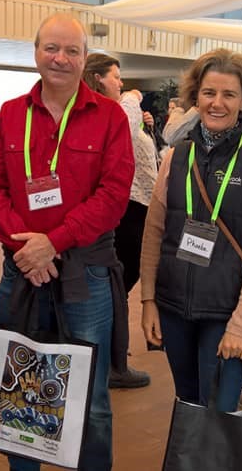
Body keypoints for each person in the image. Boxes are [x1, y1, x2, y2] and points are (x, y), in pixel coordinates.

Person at [0, 13, 134, 471]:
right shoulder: (10, 115)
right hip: (21, 270)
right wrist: (28, 251)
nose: (60, 59)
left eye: (71, 51)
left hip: (84, 273)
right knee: (20, 385)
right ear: (36, 53)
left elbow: (113, 195)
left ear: (84, 58)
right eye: (52, 48)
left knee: (92, 397)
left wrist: (55, 242)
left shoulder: (109, 118)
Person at [139, 49, 242, 415]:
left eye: (228, 95)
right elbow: (154, 232)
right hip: (173, 307)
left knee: (217, 413)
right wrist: (148, 301)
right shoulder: (176, 155)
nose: (217, 103)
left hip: (226, 312)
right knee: (187, 405)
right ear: (196, 97)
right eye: (209, 93)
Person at [82, 53, 155, 389]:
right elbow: (123, 123)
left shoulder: (117, 112)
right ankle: (112, 363)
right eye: (116, 76)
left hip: (138, 207)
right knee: (116, 287)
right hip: (128, 208)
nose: (122, 84)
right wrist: (133, 100)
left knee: (117, 287)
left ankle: (111, 359)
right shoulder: (111, 110)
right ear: (98, 78)